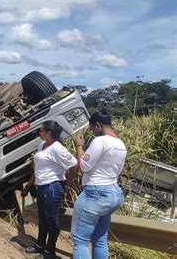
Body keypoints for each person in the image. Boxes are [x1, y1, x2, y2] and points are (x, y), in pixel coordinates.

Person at [68, 111, 126, 259]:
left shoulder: (100, 141)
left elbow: (84, 166)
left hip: (95, 194)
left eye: (92, 129)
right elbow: (117, 171)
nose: (93, 133)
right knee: (100, 240)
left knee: (80, 241)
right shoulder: (120, 144)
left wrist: (79, 146)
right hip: (113, 193)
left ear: (98, 125)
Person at [24, 121, 78, 259]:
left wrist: (68, 182)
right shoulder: (43, 145)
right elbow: (38, 167)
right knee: (42, 217)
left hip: (52, 187)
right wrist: (30, 183)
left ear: (48, 133)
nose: (39, 133)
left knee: (51, 220)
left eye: (41, 130)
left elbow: (74, 165)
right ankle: (40, 245)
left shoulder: (57, 148)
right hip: (42, 186)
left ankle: (50, 252)